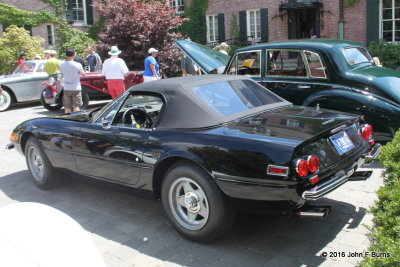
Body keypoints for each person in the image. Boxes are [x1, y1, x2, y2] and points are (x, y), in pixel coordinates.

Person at [60, 48, 85, 114]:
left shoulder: (62, 64)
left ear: (66, 55)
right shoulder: (78, 64)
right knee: (76, 106)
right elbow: (83, 74)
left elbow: (62, 75)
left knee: (67, 107)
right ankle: (76, 120)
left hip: (67, 87)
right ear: (74, 55)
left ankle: (67, 120)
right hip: (76, 87)